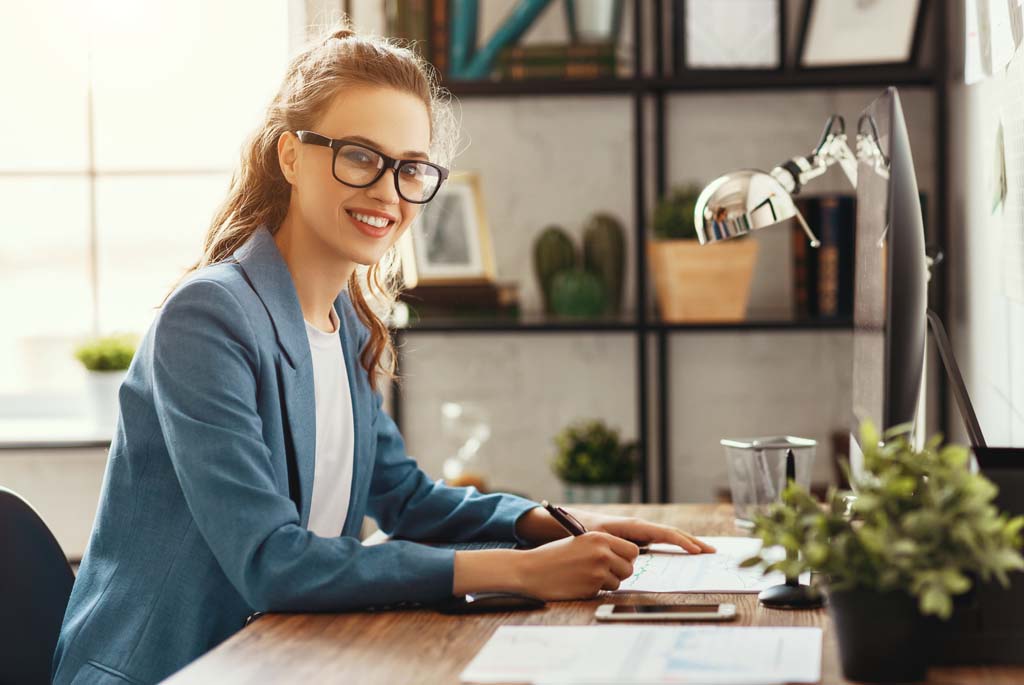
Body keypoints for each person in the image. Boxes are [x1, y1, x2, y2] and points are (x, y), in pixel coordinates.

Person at [51, 24, 714, 685]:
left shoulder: (344, 321)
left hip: (282, 658)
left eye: (410, 167)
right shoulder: (209, 318)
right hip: (174, 668)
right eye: (360, 156)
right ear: (290, 157)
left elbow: (406, 498)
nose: (389, 191)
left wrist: (558, 523)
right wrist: (517, 570)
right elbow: (271, 560)